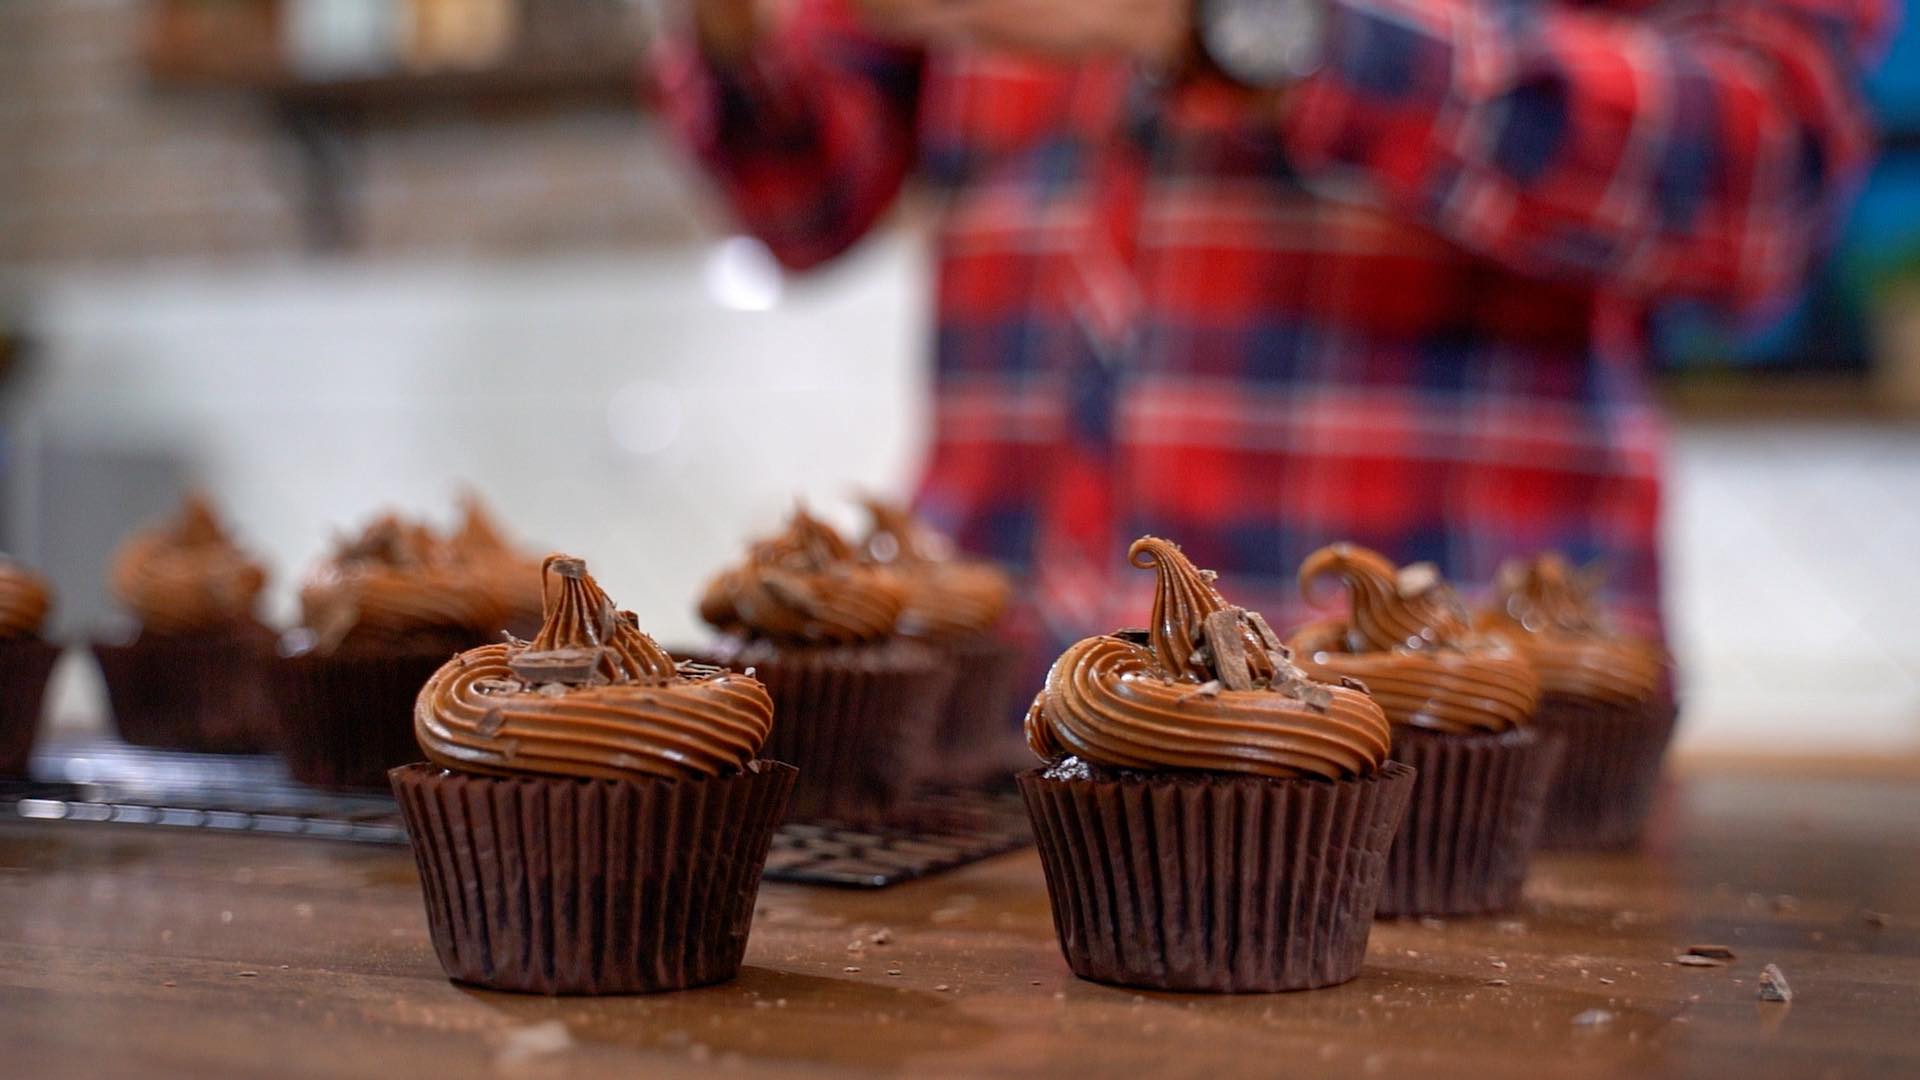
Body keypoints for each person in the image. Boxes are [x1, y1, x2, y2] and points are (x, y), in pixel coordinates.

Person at [654, 0, 1887, 658]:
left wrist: (1242, 23)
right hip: (994, 729)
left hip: (1447, 731)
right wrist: (730, 26)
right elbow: (804, 199)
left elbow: (1767, 179)